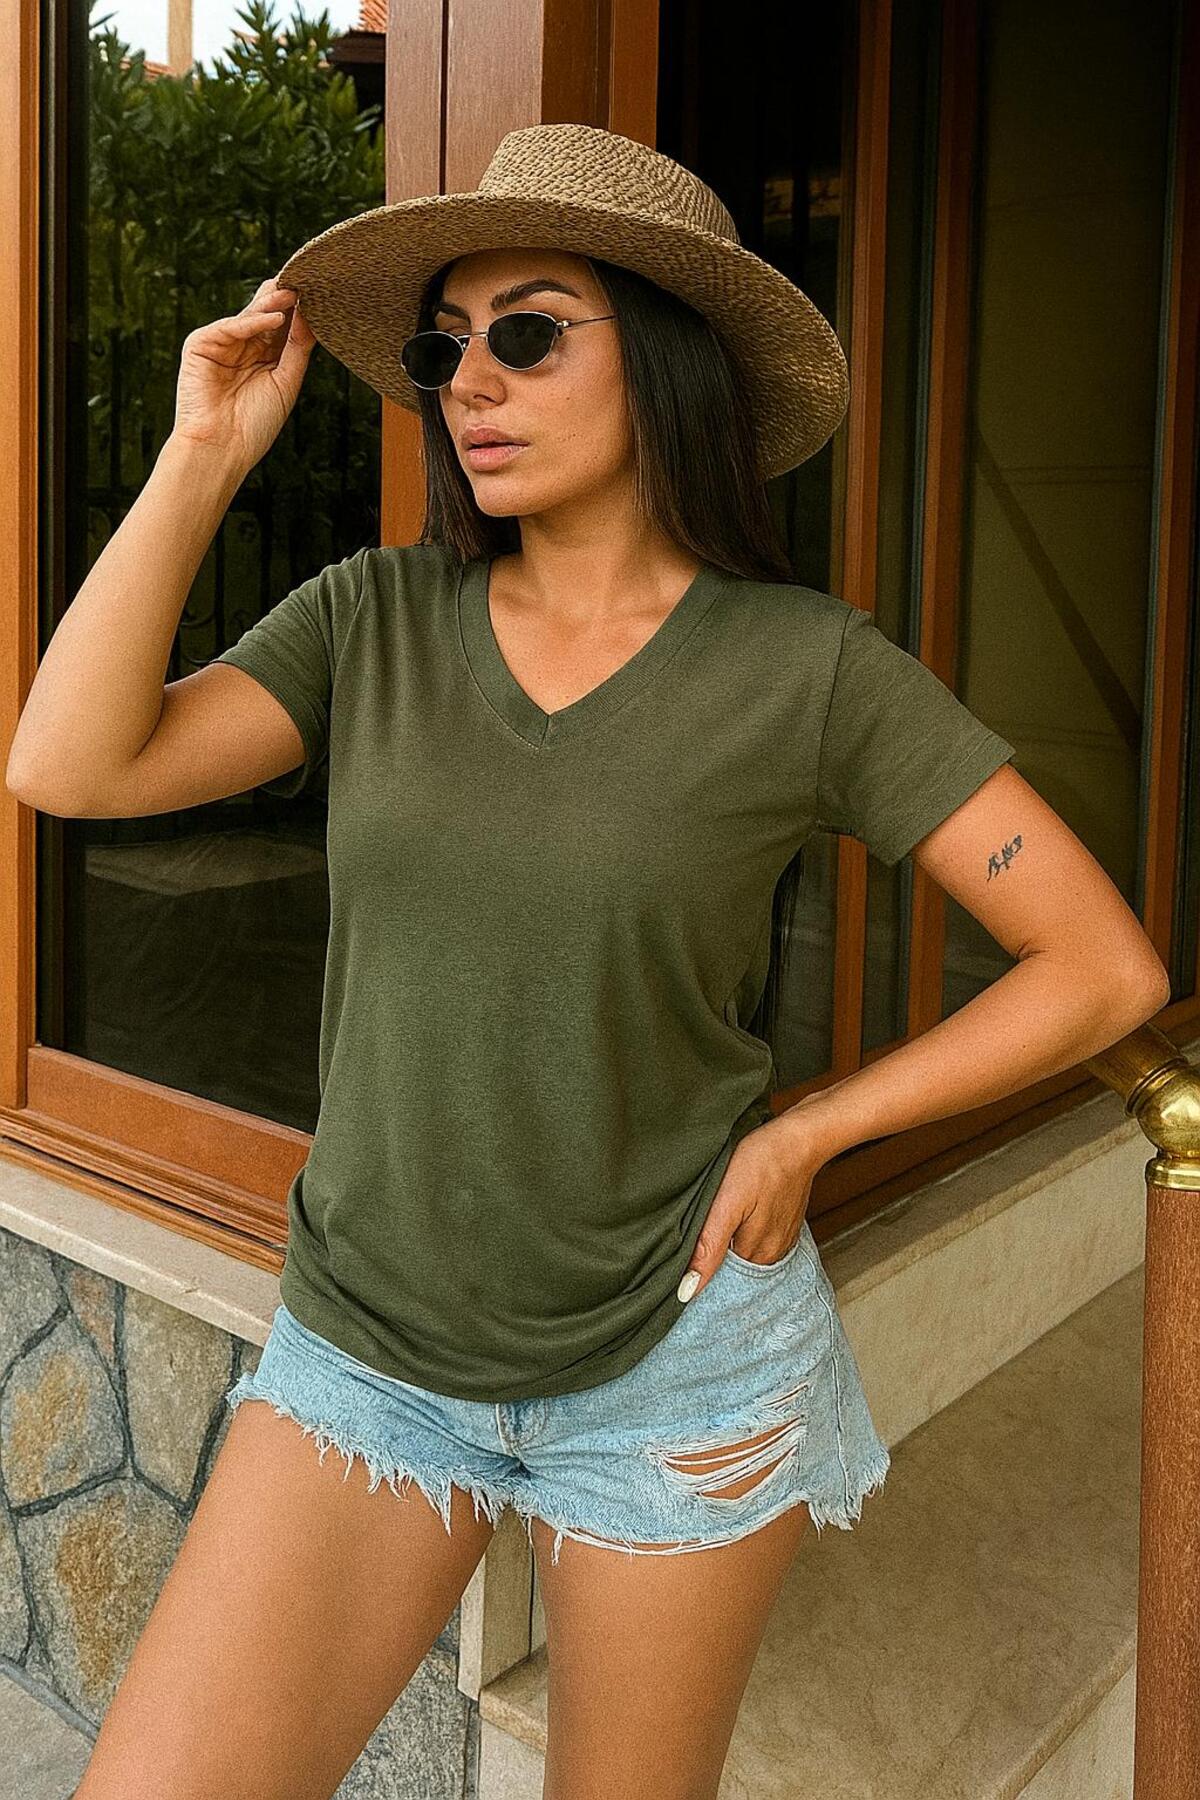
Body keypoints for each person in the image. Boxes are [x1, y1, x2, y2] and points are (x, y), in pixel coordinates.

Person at [11, 124, 1169, 1800]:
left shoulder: (806, 671)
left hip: (678, 1367)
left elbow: (1102, 968)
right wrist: (202, 458)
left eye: (531, 332)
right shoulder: (372, 622)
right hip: (371, 1350)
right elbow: (68, 764)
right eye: (445, 350)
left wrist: (815, 1129)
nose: (470, 383)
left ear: (669, 357)